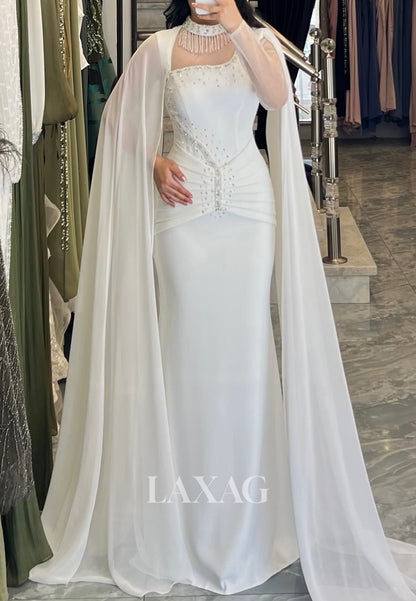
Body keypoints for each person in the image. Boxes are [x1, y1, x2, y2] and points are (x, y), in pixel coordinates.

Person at [30, 1, 416, 599]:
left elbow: (278, 98)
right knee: (187, 356)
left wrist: (238, 23)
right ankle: (182, 520)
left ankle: (251, 523)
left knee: (246, 359)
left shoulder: (257, 44)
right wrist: (155, 161)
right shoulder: (159, 49)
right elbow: (117, 121)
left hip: (247, 214)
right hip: (181, 220)